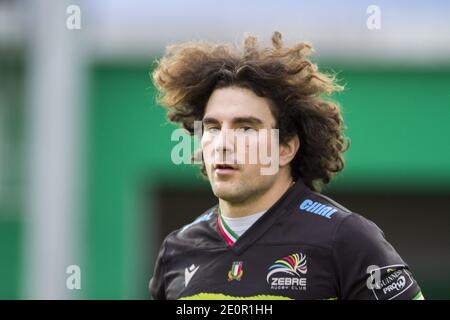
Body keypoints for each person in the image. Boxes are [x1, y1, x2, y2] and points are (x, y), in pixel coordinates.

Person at [149, 31, 424, 300]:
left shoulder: (347, 238)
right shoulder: (177, 250)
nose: (223, 143)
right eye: (212, 128)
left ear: (286, 148)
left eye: (245, 128)